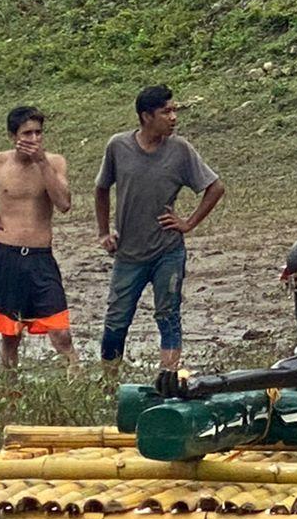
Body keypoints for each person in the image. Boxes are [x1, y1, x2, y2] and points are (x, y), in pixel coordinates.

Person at [96, 85, 225, 373]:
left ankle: (168, 377)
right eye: (166, 111)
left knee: (168, 315)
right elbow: (102, 187)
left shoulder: (180, 150)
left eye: (174, 110)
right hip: (128, 253)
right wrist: (104, 232)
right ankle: (108, 380)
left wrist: (188, 223)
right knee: (117, 319)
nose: (174, 117)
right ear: (146, 116)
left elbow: (215, 187)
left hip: (168, 252)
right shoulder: (118, 146)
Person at [0, 107, 76, 369]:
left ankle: (76, 385)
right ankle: (10, 395)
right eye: (27, 134)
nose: (33, 139)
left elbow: (64, 204)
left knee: (61, 333)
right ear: (13, 136)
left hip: (40, 258)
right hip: (7, 255)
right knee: (10, 335)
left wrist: (42, 162)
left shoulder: (54, 162)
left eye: (38, 133)